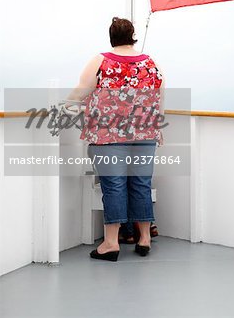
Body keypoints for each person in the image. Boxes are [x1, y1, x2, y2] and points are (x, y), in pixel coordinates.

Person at [66, 17, 165, 261]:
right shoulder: (150, 62)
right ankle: (144, 239)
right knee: (141, 183)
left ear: (111, 37)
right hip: (145, 132)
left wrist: (74, 105)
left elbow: (79, 93)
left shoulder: (101, 60)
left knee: (114, 185)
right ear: (133, 37)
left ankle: (111, 243)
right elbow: (159, 96)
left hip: (108, 133)